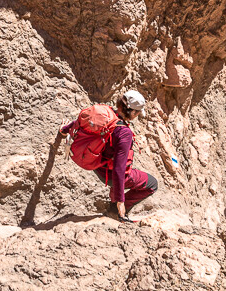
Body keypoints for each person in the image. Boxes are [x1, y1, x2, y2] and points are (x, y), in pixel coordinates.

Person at [55, 90, 157, 222]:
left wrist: (64, 129)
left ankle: (115, 202)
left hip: (97, 166)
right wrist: (121, 201)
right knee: (152, 184)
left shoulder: (104, 114)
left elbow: (80, 123)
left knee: (116, 170)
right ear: (131, 112)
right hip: (110, 175)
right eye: (137, 112)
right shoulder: (124, 133)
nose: (137, 115)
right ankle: (115, 210)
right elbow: (119, 170)